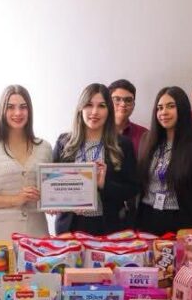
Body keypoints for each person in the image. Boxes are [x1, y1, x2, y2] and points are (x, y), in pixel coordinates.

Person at [0, 85, 54, 241]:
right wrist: (16, 199)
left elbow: (51, 190)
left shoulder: (44, 148)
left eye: (23, 107)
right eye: (10, 107)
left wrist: (54, 205)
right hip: (2, 235)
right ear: (2, 111)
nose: (18, 113)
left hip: (38, 234)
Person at [52, 83, 140, 235]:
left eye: (101, 106)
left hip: (108, 226)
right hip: (71, 226)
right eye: (89, 105)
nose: (94, 112)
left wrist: (104, 184)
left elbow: (132, 189)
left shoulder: (122, 144)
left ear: (109, 111)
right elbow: (52, 184)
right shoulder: (64, 143)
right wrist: (53, 202)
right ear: (81, 108)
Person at [135, 86, 192, 234]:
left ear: (182, 109)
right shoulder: (146, 140)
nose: (164, 112)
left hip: (183, 221)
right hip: (147, 217)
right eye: (159, 108)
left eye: (170, 106)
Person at [108, 79, 148, 155]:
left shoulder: (144, 135)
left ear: (133, 105)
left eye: (128, 100)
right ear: (107, 102)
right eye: (117, 99)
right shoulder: (97, 132)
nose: (123, 104)